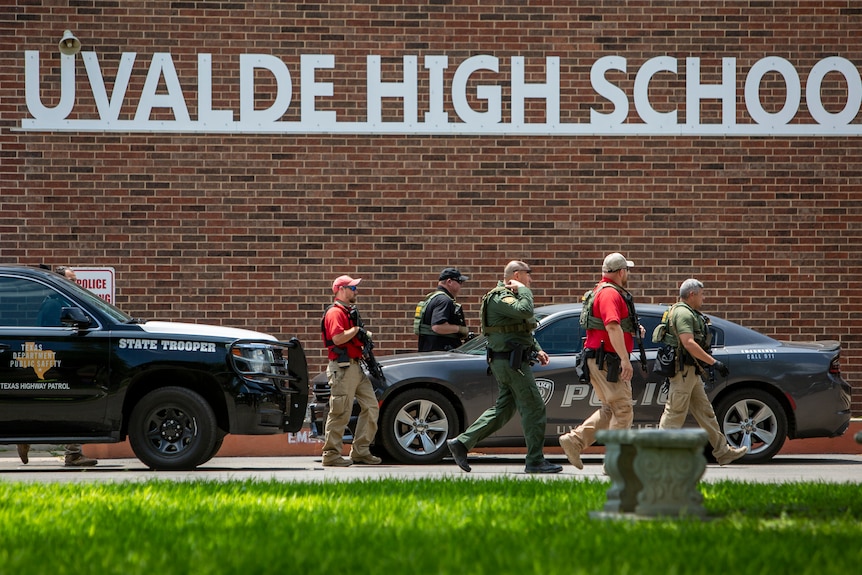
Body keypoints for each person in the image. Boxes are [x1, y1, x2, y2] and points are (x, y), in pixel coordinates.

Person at [447, 261, 562, 474]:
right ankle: (535, 461)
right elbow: (525, 310)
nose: (531, 280)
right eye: (528, 276)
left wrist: (536, 349)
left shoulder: (511, 296)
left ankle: (461, 443)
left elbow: (519, 329)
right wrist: (525, 291)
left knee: (503, 410)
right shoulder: (500, 297)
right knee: (534, 407)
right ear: (517, 275)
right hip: (511, 362)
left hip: (510, 360)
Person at [558, 253, 642, 470]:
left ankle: (574, 441)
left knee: (610, 409)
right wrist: (625, 360)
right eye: (627, 271)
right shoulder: (610, 295)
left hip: (599, 358)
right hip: (609, 361)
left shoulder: (600, 291)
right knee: (623, 409)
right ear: (621, 272)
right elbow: (612, 326)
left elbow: (614, 326)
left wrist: (631, 330)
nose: (628, 275)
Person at [657, 279, 748, 465]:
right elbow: (688, 342)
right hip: (683, 372)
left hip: (691, 372)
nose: (703, 298)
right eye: (701, 294)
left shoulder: (687, 311)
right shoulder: (683, 313)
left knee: (705, 412)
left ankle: (722, 451)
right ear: (692, 294)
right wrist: (714, 363)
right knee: (674, 413)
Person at [19, 265, 98, 467]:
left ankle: (25, 435)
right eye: (70, 280)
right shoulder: (55, 304)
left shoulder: (61, 302)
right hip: (59, 362)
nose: (75, 284)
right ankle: (72, 453)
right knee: (73, 404)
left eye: (75, 280)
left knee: (57, 404)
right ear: (60, 281)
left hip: (60, 361)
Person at [319, 275, 381, 467]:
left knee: (371, 406)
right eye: (352, 288)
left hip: (355, 367)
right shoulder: (335, 313)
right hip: (343, 368)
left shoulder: (348, 312)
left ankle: (361, 451)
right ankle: (331, 455)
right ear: (340, 289)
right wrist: (356, 331)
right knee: (340, 411)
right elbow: (337, 338)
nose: (355, 291)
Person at [417, 267, 470, 352]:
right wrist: (459, 329)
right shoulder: (444, 300)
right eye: (459, 282)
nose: (461, 285)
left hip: (430, 351)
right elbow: (437, 326)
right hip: (441, 353)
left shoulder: (433, 298)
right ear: (449, 282)